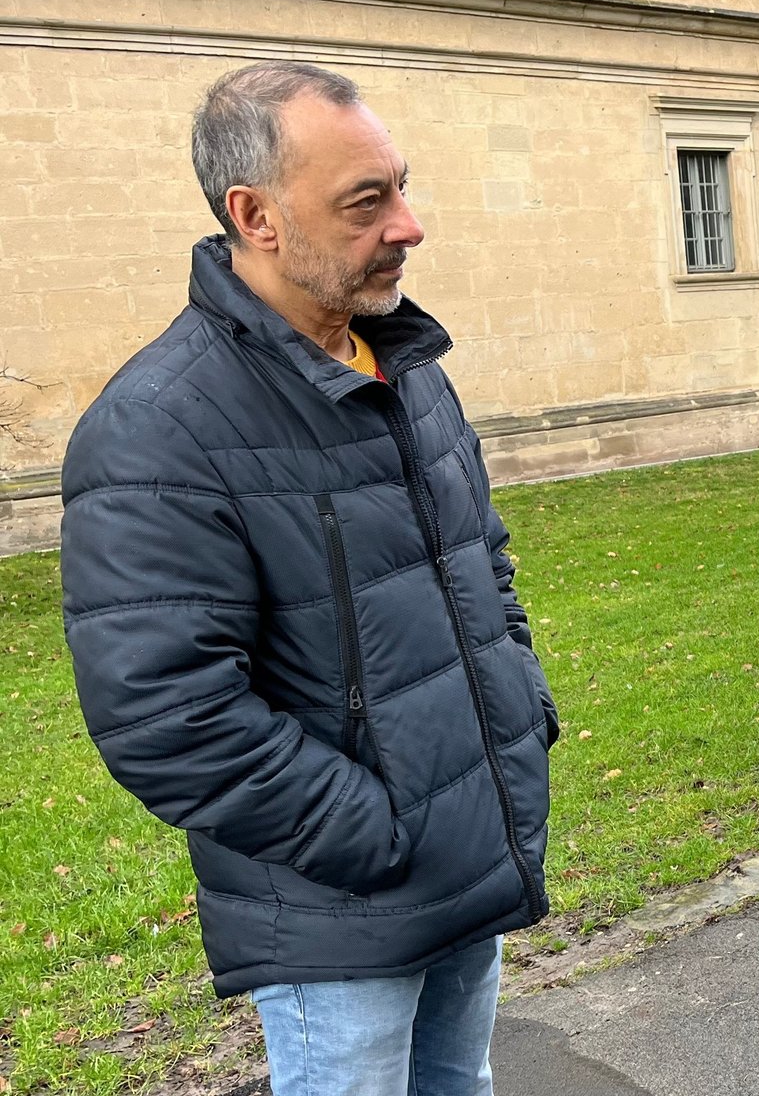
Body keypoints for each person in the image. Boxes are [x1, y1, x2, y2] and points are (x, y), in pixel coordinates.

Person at [61, 61, 557, 1096]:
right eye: (366, 201)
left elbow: (480, 563)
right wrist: (376, 832)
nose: (409, 225)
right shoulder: (161, 427)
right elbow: (166, 717)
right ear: (257, 216)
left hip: (472, 858)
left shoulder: (404, 370)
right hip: (344, 909)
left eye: (401, 187)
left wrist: (522, 712)